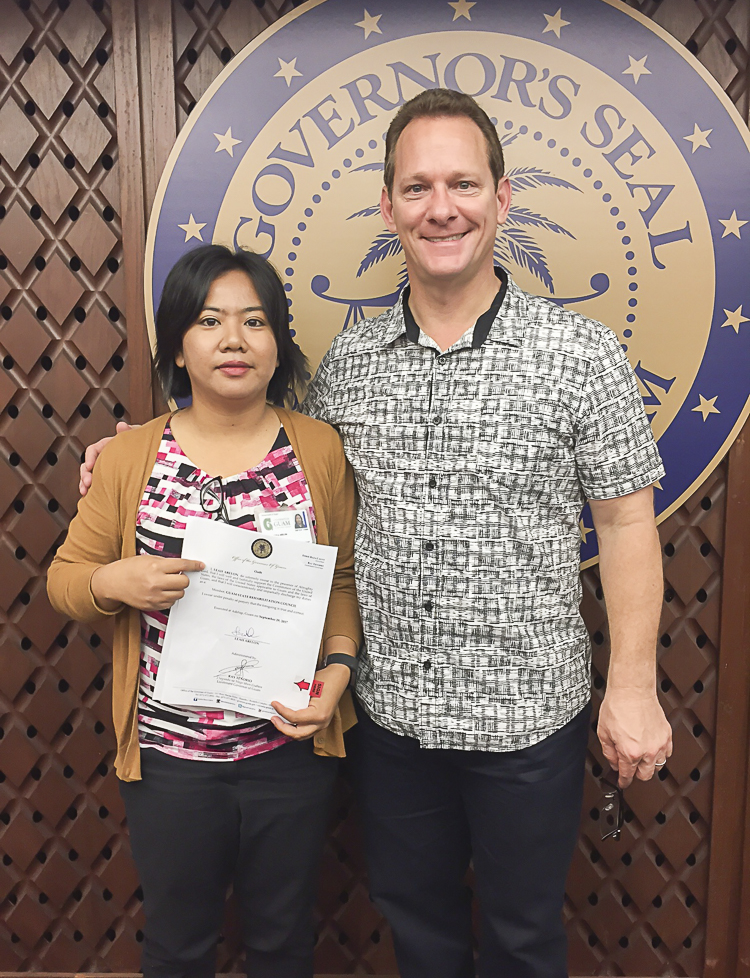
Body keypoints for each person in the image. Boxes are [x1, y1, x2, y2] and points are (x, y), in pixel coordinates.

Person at [79, 90, 672, 978]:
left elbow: (627, 521)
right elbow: (260, 453)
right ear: (387, 206)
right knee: (418, 934)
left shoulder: (579, 354)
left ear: (503, 199)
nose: (443, 207)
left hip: (528, 719)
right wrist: (133, 451)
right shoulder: (350, 364)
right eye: (419, 186)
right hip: (389, 725)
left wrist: (633, 686)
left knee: (524, 941)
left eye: (464, 183)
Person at [49, 244, 361, 978]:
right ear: (179, 347)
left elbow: (340, 581)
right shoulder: (130, 459)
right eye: (209, 320)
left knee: (284, 943)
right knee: (178, 945)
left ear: (277, 342)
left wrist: (339, 674)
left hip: (289, 751)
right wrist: (114, 581)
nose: (233, 339)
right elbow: (67, 581)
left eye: (254, 321)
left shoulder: (316, 448)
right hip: (168, 762)